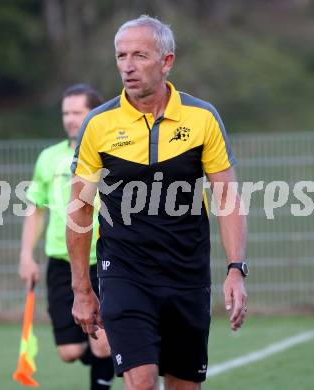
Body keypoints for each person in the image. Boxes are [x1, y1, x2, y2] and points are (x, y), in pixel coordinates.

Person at [67, 16, 248, 390]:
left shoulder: (202, 118)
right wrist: (82, 290)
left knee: (184, 385)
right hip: (124, 271)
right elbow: (80, 210)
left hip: (187, 272)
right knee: (143, 381)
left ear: (167, 62)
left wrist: (235, 269)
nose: (127, 66)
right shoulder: (98, 125)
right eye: (121, 56)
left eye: (140, 56)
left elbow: (226, 198)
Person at [19, 84, 114, 390]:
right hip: (62, 262)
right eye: (66, 113)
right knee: (69, 352)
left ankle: (108, 358)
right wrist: (26, 255)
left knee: (101, 343)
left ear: (94, 114)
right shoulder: (48, 158)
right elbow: (36, 209)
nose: (71, 119)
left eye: (78, 112)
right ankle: (115, 347)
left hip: (105, 260)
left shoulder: (111, 154)